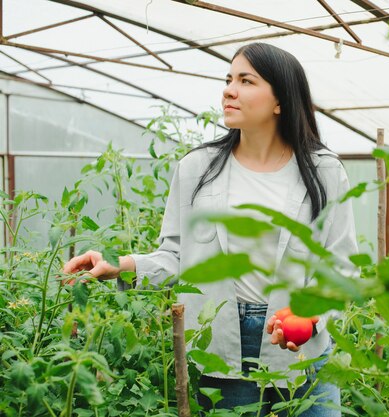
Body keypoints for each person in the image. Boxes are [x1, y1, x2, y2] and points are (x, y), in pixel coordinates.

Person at [62, 42, 358, 416]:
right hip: (220, 342)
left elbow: (341, 267)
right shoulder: (197, 168)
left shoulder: (324, 171)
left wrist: (310, 318)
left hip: (302, 355)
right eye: (228, 79)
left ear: (280, 101)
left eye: (246, 80)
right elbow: (176, 256)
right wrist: (119, 265)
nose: (229, 90)